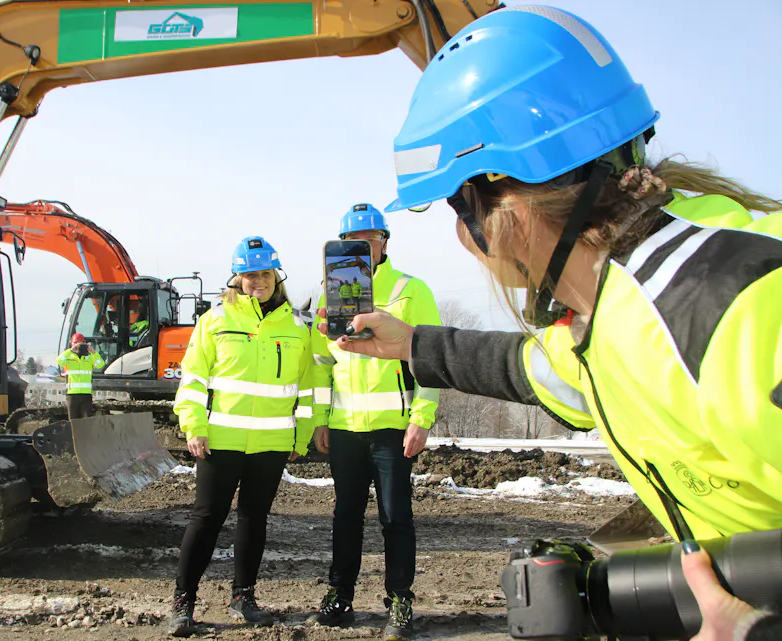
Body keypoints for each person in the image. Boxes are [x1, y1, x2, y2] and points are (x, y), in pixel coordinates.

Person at [325, 7, 781, 638]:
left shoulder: (740, 310)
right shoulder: (608, 310)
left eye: (457, 209)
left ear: (498, 207)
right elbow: (535, 369)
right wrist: (412, 345)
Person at [308, 203, 442, 640]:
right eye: (355, 241)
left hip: (391, 428)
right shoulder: (330, 295)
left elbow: (431, 360)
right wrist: (321, 419)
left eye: (372, 239)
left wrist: (421, 418)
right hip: (345, 429)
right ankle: (339, 594)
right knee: (345, 515)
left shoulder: (411, 290)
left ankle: (399, 599)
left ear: (385, 242)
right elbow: (319, 363)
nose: (365, 247)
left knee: (395, 516)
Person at [168, 236, 314, 637]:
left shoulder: (298, 327)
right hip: (220, 441)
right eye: (250, 275)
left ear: (276, 276)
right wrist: (194, 426)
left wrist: (300, 438)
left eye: (264, 273)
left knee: (254, 519)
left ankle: (243, 598)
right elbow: (193, 378)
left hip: (270, 444)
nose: (258, 281)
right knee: (206, 519)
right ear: (237, 279)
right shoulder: (214, 320)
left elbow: (309, 386)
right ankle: (183, 602)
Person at [55, 333, 105, 420]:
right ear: (71, 344)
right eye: (75, 343)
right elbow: (59, 360)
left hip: (86, 395)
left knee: (86, 422)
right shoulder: (68, 358)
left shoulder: (90, 358)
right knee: (73, 421)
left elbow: (101, 364)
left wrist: (93, 352)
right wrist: (71, 350)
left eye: (80, 343)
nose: (78, 346)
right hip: (72, 395)